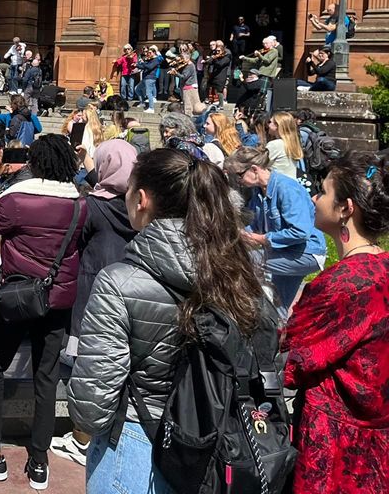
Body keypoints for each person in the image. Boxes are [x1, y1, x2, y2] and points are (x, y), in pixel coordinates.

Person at [68, 148, 266, 494]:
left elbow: (92, 407)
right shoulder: (240, 275)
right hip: (219, 447)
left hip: (138, 441)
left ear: (141, 199)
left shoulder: (119, 281)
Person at [0, 135, 85, 490]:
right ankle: (39, 462)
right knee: (46, 378)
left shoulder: (18, 199)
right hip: (57, 302)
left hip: (16, 296)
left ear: (36, 163)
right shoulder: (79, 203)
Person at [282, 153, 389, 494]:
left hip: (336, 439)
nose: (315, 199)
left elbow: (292, 360)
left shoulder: (340, 284)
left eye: (324, 192)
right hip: (378, 436)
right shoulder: (383, 269)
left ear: (346, 209)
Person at [52, 140, 138, 467]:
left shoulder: (93, 206)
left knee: (89, 362)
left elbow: (75, 240)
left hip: (94, 286)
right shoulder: (140, 205)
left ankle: (82, 436)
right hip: (131, 287)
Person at [225, 146, 327, 319]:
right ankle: (278, 337)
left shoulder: (286, 189)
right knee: (278, 307)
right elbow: (254, 227)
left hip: (308, 253)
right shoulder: (258, 192)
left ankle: (242, 314)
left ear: (254, 170)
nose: (237, 181)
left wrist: (263, 239)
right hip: (286, 252)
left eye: (238, 175)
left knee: (246, 261)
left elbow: (301, 232)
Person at [241, 36, 281, 112]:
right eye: (263, 44)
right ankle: (252, 108)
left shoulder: (274, 51)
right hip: (260, 74)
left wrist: (259, 55)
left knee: (262, 93)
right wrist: (245, 58)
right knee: (256, 92)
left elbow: (267, 61)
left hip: (267, 75)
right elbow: (255, 60)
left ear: (271, 43)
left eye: (266, 43)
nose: (264, 45)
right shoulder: (265, 51)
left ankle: (258, 108)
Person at [265, 110, 306, 179]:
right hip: (290, 184)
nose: (268, 125)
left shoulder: (275, 144)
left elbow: (261, 164)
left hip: (277, 184)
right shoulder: (292, 143)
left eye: (270, 122)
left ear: (277, 125)